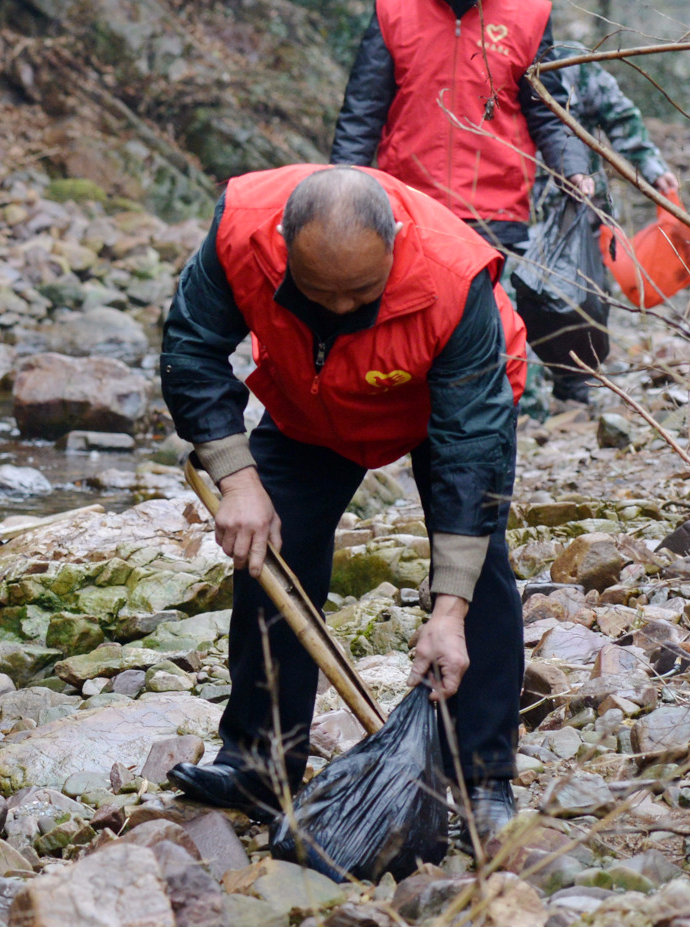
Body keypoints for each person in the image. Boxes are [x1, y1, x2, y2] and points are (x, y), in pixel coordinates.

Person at [157, 163, 530, 847]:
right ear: (282, 244)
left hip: (439, 403)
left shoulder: (453, 277)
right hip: (311, 396)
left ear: (394, 246)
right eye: (316, 290)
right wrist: (237, 478)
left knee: (480, 571)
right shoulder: (242, 229)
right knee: (271, 548)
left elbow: (469, 454)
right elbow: (191, 347)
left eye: (358, 292)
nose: (336, 308)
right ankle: (259, 764)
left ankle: (481, 776)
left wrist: (447, 612)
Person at [332, 0, 594, 257]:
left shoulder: (529, 14)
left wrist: (574, 169)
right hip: (406, 203)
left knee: (483, 313)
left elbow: (547, 111)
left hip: (495, 213)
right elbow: (364, 108)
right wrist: (341, 182)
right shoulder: (393, 6)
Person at [507, 40, 682, 404]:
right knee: (518, 292)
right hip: (511, 203)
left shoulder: (571, 62)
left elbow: (617, 114)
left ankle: (576, 382)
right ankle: (524, 393)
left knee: (585, 293)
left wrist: (651, 167)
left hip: (580, 205)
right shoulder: (489, 59)